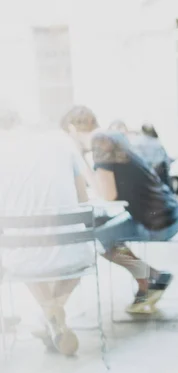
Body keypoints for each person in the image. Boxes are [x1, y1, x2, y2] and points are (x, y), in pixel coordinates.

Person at [61, 106, 178, 314]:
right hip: (167, 213)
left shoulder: (100, 141)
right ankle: (150, 279)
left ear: (72, 129)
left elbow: (107, 195)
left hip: (158, 222)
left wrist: (79, 160)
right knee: (103, 234)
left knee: (101, 239)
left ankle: (150, 277)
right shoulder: (112, 136)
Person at [0, 109, 94, 355]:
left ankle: (49, 311)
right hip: (73, 256)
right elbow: (83, 201)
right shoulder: (63, 144)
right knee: (87, 250)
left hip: (21, 259)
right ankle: (54, 312)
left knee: (23, 251)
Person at [130, 122, 172, 189]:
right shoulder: (157, 142)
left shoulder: (136, 142)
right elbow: (166, 162)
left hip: (144, 177)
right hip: (159, 178)